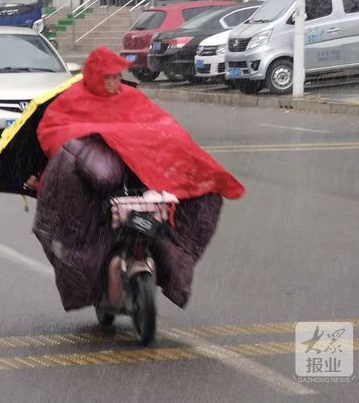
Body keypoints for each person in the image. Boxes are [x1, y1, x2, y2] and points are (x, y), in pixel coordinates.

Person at [31, 48, 245, 311]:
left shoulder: (131, 97)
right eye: (106, 77)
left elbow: (162, 126)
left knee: (196, 199)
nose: (112, 83)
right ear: (94, 76)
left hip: (139, 182)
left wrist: (153, 152)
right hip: (94, 191)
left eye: (116, 77)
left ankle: (166, 268)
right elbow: (54, 133)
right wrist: (98, 139)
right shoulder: (72, 100)